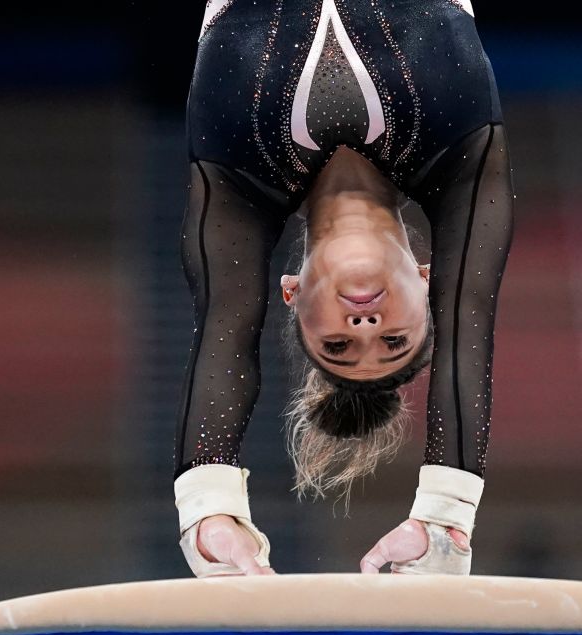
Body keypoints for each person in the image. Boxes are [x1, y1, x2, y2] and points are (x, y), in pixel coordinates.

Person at [172, 0, 515, 577]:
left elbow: (224, 334)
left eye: (337, 346)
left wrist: (208, 515)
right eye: (394, 341)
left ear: (291, 292)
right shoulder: (460, 160)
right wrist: (443, 520)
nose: (365, 330)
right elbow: (470, 328)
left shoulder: (238, 184)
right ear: (431, 287)